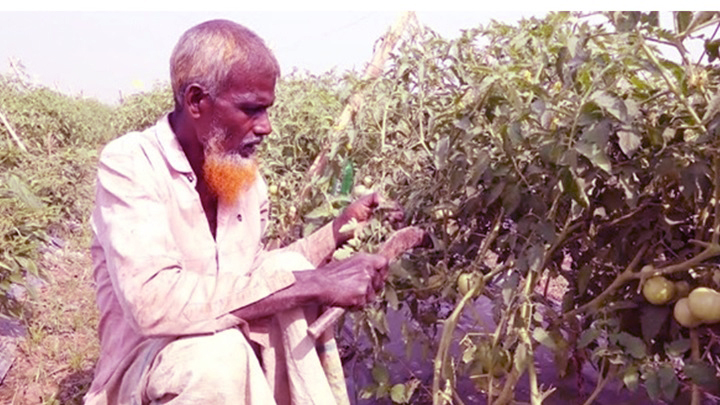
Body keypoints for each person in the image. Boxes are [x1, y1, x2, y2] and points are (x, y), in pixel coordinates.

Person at [85, 19, 390, 405]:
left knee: (276, 282)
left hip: (229, 346)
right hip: (144, 363)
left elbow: (252, 270)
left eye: (268, 110)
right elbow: (152, 302)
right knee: (218, 356)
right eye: (252, 109)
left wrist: (335, 231)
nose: (267, 127)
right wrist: (316, 284)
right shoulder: (130, 164)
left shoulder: (238, 176)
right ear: (197, 101)